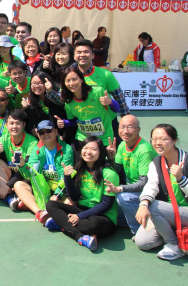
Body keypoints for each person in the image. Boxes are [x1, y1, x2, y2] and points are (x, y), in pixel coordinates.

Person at [45, 136, 119, 252]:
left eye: (94, 149)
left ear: (101, 152)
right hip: (83, 210)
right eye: (85, 148)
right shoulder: (80, 169)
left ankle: (62, 224)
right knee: (51, 205)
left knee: (92, 224)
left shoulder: (109, 173)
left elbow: (106, 205)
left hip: (104, 218)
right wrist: (67, 178)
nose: (88, 152)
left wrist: (80, 217)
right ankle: (80, 237)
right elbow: (75, 197)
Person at [134, 124, 188, 260]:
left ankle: (174, 245)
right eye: (154, 139)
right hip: (169, 211)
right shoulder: (156, 162)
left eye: (164, 139)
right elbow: (151, 185)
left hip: (185, 211)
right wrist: (143, 204)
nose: (158, 143)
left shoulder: (186, 161)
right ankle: (176, 234)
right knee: (143, 243)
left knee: (154, 207)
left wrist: (181, 179)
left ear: (175, 140)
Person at [104, 115, 155, 234]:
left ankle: (139, 230)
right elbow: (116, 169)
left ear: (138, 130)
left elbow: (144, 184)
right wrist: (111, 158)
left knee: (123, 197)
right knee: (111, 215)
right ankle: (143, 220)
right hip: (134, 191)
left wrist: (120, 189)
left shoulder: (144, 150)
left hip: (149, 194)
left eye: (130, 127)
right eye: (122, 127)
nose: (125, 131)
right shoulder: (123, 145)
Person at [17, 120, 74, 223]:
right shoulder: (37, 150)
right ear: (38, 135)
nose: (45, 134)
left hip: (60, 191)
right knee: (19, 185)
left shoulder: (67, 150)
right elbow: (31, 174)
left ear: (56, 131)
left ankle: (31, 205)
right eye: (41, 132)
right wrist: (22, 165)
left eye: (48, 131)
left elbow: (65, 176)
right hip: (43, 189)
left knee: (71, 202)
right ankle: (40, 212)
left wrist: (57, 195)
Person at [74, 39, 130, 137]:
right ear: (74, 56)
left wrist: (127, 124)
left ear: (93, 55)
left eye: (86, 52)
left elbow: (120, 101)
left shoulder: (106, 74)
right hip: (81, 126)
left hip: (108, 125)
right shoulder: (70, 76)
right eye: (79, 52)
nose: (82, 55)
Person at [0, 109, 38, 205]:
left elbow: (27, 170)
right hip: (11, 176)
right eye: (11, 123)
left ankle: (4, 192)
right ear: (6, 125)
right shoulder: (4, 139)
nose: (14, 127)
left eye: (18, 123)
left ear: (24, 125)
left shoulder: (32, 142)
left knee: (27, 171)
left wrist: (7, 186)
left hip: (26, 177)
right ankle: (9, 196)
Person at [57, 67, 118, 147]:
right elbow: (75, 121)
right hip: (82, 139)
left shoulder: (98, 92)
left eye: (74, 79)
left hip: (103, 140)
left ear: (82, 80)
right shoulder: (68, 101)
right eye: (67, 81)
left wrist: (110, 102)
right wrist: (65, 123)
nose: (71, 83)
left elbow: (117, 109)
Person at [21, 72, 69, 140]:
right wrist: (27, 109)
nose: (37, 86)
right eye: (34, 83)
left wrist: (50, 91)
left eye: (40, 83)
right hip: (45, 137)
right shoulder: (32, 101)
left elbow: (61, 102)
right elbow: (36, 121)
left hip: (62, 136)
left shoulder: (57, 94)